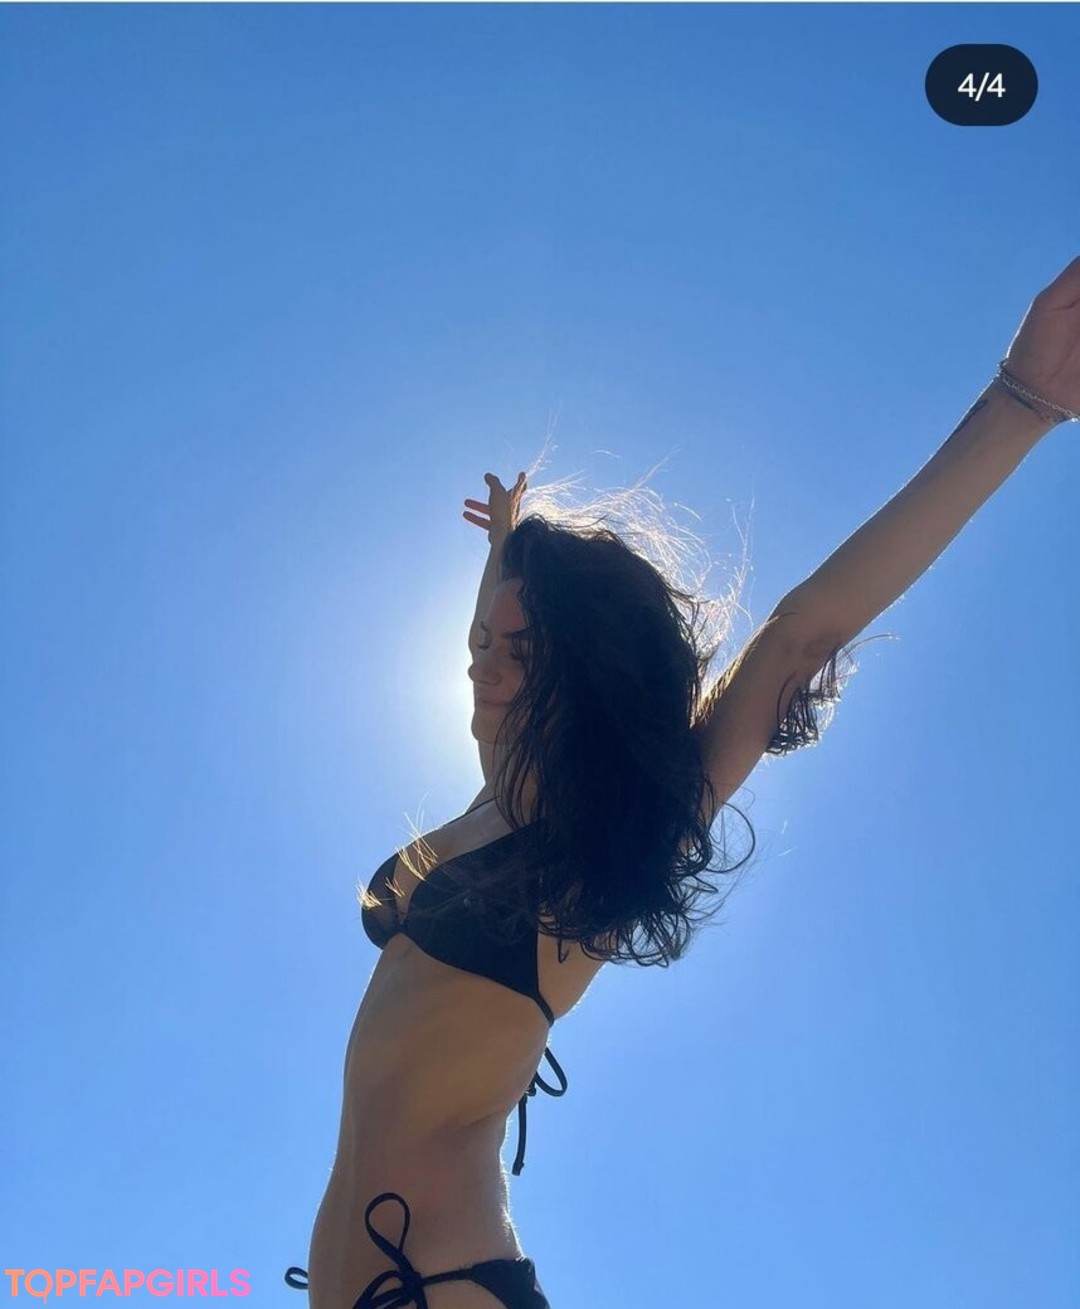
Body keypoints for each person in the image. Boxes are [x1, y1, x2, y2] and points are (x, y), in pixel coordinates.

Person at [285, 256, 1079, 1308]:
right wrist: (510, 546)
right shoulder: (489, 804)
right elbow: (494, 638)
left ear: (578, 679)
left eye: (519, 655)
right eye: (482, 643)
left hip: (441, 1285)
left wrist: (1023, 401)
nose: (483, 667)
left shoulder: (600, 847)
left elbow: (800, 632)